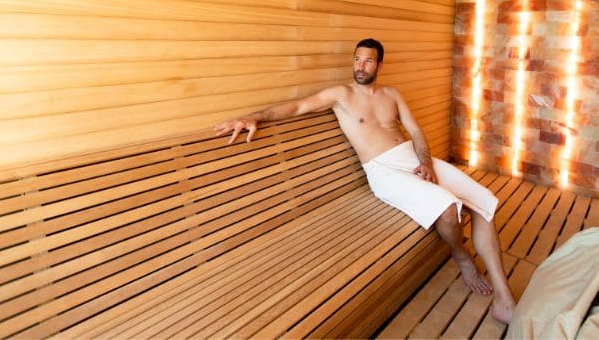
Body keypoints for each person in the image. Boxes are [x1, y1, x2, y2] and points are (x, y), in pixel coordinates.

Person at [214, 38, 516, 323]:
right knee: (449, 210)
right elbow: (297, 106)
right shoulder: (341, 96)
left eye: (368, 61)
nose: (360, 65)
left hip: (413, 158)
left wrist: (425, 162)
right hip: (383, 170)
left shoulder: (392, 94)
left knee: (483, 201)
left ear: (379, 66)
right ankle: (461, 255)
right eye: (357, 59)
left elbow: (416, 131)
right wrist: (256, 116)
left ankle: (504, 298)